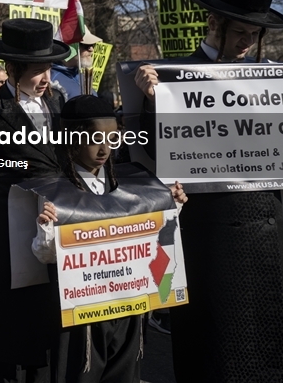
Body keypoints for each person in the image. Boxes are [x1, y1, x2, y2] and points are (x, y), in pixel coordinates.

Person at [132, 0, 283, 381]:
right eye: (240, 31)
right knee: (214, 348)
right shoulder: (173, 77)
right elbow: (151, 151)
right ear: (214, 24)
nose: (247, 41)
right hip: (209, 233)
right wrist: (152, 100)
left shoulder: (273, 80)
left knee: (270, 346)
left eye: (254, 33)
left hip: (265, 228)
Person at [31, 95, 187, 382]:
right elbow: (44, 255)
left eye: (113, 137)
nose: (105, 148)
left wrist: (171, 204)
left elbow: (155, 238)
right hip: (82, 318)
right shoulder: (55, 190)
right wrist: (48, 229)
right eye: (95, 139)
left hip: (129, 310)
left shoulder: (132, 182)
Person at [0, 18, 69, 383]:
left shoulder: (59, 106)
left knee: (45, 316)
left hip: (51, 221)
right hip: (4, 229)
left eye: (49, 68)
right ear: (13, 69)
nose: (46, 78)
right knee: (8, 320)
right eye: (37, 70)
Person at [50, 32, 102, 99]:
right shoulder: (52, 78)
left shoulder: (82, 76)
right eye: (85, 45)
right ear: (70, 47)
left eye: (93, 45)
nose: (91, 49)